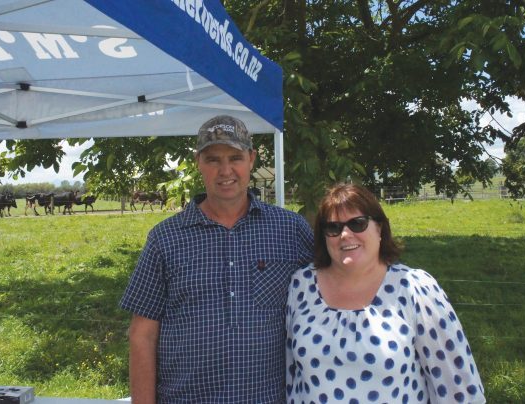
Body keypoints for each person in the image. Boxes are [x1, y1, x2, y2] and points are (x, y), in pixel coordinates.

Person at [120, 115, 314, 403]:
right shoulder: (166, 238)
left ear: (252, 158)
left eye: (235, 157)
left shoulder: (290, 230)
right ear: (198, 161)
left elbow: (332, 298)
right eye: (213, 159)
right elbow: (142, 335)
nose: (226, 170)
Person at [286, 183, 485, 403]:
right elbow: (291, 375)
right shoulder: (302, 284)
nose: (345, 234)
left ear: (379, 228)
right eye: (333, 228)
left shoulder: (415, 288)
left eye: (357, 224)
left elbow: (459, 389)